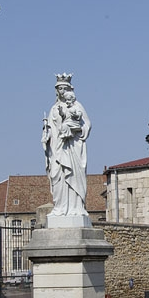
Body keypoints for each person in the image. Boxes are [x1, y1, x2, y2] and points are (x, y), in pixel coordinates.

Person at [42, 73, 91, 218]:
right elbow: (51, 128)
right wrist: (46, 136)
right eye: (59, 89)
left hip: (72, 147)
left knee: (73, 176)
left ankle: (76, 208)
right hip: (57, 148)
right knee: (57, 176)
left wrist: (76, 129)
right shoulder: (53, 109)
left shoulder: (77, 106)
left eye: (64, 88)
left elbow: (86, 125)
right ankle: (59, 208)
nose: (62, 91)